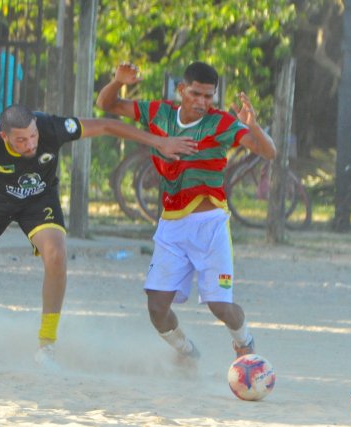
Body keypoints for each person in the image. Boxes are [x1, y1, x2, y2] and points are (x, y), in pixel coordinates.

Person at [0, 104, 197, 367]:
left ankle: (46, 346)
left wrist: (159, 142)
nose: (30, 144)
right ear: (4, 137)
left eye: (33, 137)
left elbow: (106, 125)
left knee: (56, 255)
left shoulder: (51, 127)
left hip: (38, 199)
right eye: (21, 141)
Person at [96, 61, 276, 368]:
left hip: (209, 226)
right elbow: (106, 104)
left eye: (209, 96)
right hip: (171, 225)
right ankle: (187, 351)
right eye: (196, 94)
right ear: (182, 90)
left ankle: (244, 342)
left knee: (220, 306)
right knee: (156, 309)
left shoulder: (222, 124)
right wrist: (117, 81)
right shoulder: (159, 113)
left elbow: (268, 152)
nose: (203, 102)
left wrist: (252, 125)